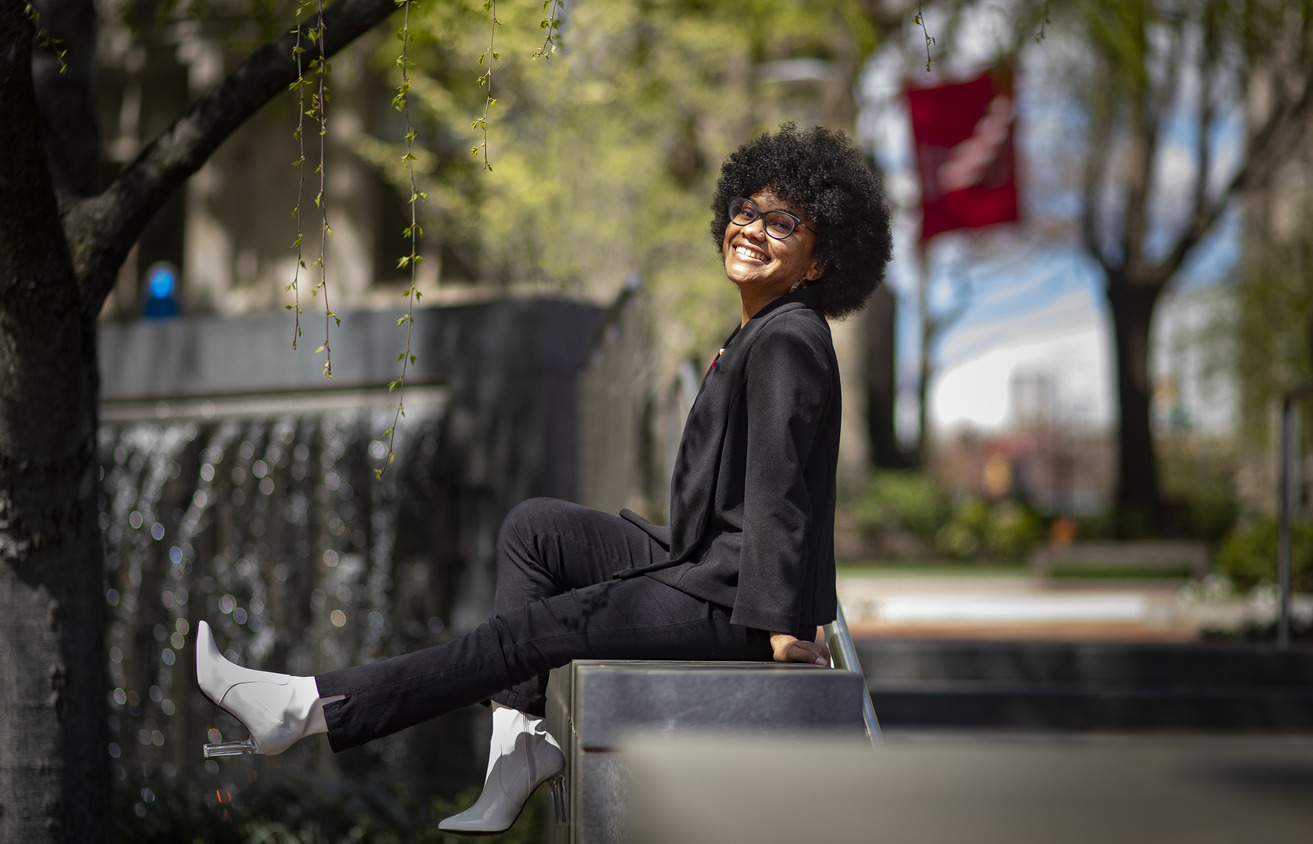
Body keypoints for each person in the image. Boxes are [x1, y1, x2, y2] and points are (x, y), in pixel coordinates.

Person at [196, 122, 892, 835]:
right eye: (745, 211)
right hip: (704, 563)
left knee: (534, 631)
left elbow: (780, 487)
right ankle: (519, 745)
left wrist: (778, 628)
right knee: (538, 530)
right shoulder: (762, 329)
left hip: (734, 600)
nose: (752, 230)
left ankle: (303, 707)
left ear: (820, 260)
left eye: (783, 223)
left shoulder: (787, 339)